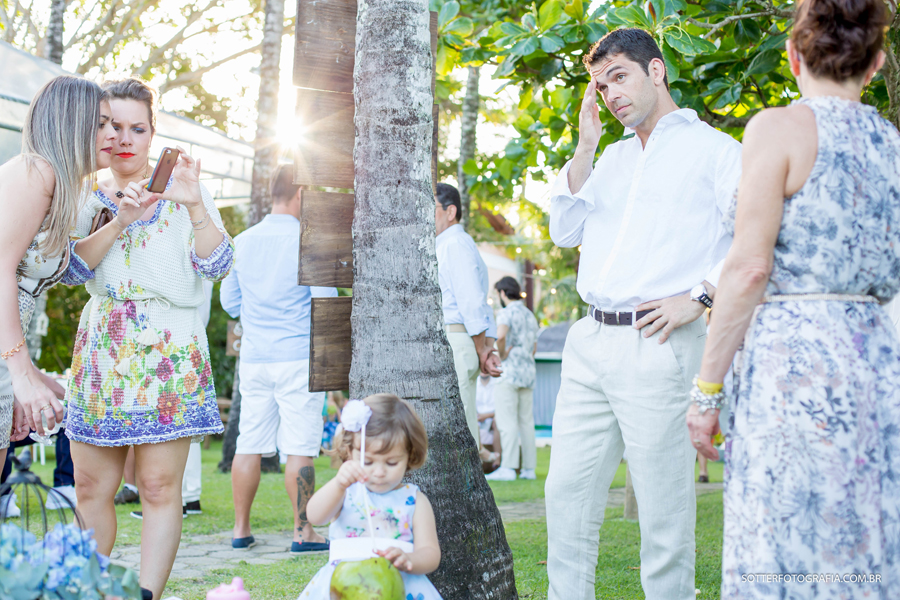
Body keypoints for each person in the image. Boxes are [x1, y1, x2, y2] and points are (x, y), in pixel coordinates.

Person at [686, 0, 899, 597]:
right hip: (878, 365)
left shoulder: (777, 128)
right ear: (877, 62)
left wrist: (706, 389)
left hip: (794, 365)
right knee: (862, 536)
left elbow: (751, 266)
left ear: (793, 54)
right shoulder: (891, 145)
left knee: (783, 538)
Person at [544, 28, 742, 600]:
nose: (610, 93)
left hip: (658, 343)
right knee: (567, 496)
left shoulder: (715, 151)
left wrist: (702, 295)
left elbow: (757, 232)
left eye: (620, 77)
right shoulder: (610, 156)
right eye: (601, 85)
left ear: (656, 71)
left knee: (663, 513)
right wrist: (584, 146)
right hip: (588, 343)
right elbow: (565, 231)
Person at [62, 77, 229, 600]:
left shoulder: (185, 191)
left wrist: (194, 205)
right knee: (90, 487)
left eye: (138, 127)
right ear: (96, 130)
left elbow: (218, 262)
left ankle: (146, 595)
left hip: (169, 350)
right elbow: (68, 271)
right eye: (112, 125)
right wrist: (120, 220)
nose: (124, 137)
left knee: (158, 487)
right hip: (102, 349)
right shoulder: (83, 193)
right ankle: (88, 589)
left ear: (153, 133)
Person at [0, 76, 116, 484]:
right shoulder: (36, 172)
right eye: (101, 123)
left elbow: (63, 269)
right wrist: (21, 376)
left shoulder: (57, 185)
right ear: (72, 121)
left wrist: (121, 223)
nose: (113, 133)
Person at [220, 164, 335, 553]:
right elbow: (327, 303)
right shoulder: (309, 241)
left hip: (255, 359)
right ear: (301, 193)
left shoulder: (243, 241)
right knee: (299, 446)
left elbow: (229, 303)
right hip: (298, 357)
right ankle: (303, 531)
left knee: (248, 443)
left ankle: (240, 529)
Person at [298, 394, 442, 600]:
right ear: (350, 451)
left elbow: (430, 552)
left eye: (391, 463)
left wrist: (410, 559)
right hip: (344, 583)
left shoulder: (414, 500)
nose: (379, 472)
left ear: (409, 456)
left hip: (399, 583)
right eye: (367, 461)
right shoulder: (346, 491)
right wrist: (338, 484)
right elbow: (315, 516)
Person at [434, 183, 501, 444]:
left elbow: (473, 301)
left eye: (433, 209)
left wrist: (483, 348)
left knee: (457, 429)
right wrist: (487, 346)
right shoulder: (451, 243)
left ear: (450, 212)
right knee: (460, 422)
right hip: (462, 342)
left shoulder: (455, 244)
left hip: (459, 340)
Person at [485, 276, 538, 482]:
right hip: (528, 371)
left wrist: (502, 355)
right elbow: (533, 347)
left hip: (509, 372)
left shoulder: (506, 312)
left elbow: (500, 336)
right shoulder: (529, 315)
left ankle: (508, 467)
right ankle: (529, 469)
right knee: (526, 421)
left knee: (506, 421)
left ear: (502, 293)